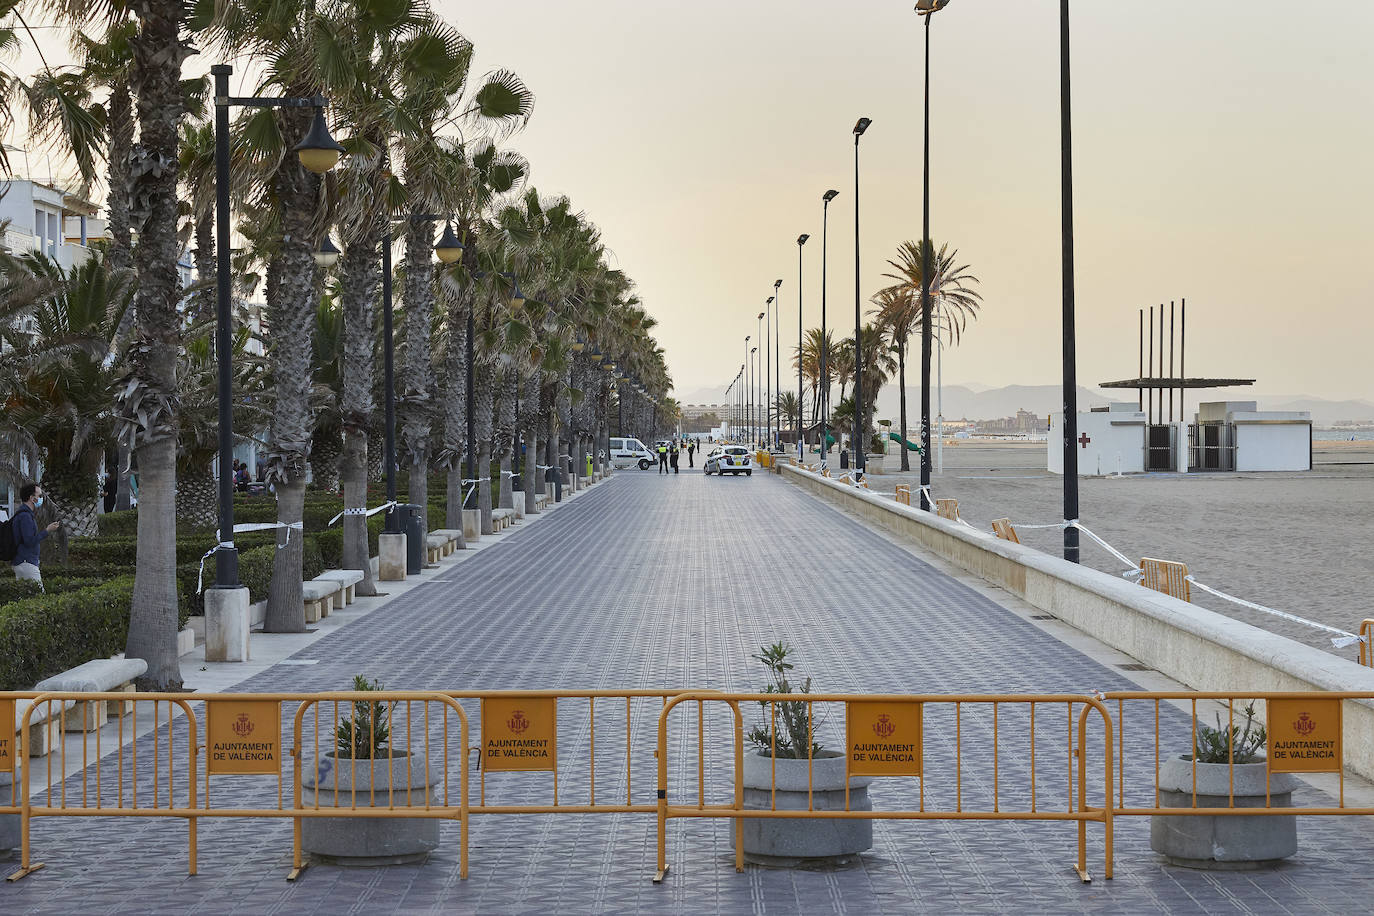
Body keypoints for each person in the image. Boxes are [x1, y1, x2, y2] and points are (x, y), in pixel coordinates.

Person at [11, 483, 59, 586]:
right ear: (32, 498)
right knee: (38, 596)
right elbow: (29, 541)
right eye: (39, 496)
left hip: (25, 562)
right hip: (26, 562)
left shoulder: (25, 514)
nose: (41, 498)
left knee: (26, 598)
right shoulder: (25, 516)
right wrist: (47, 530)